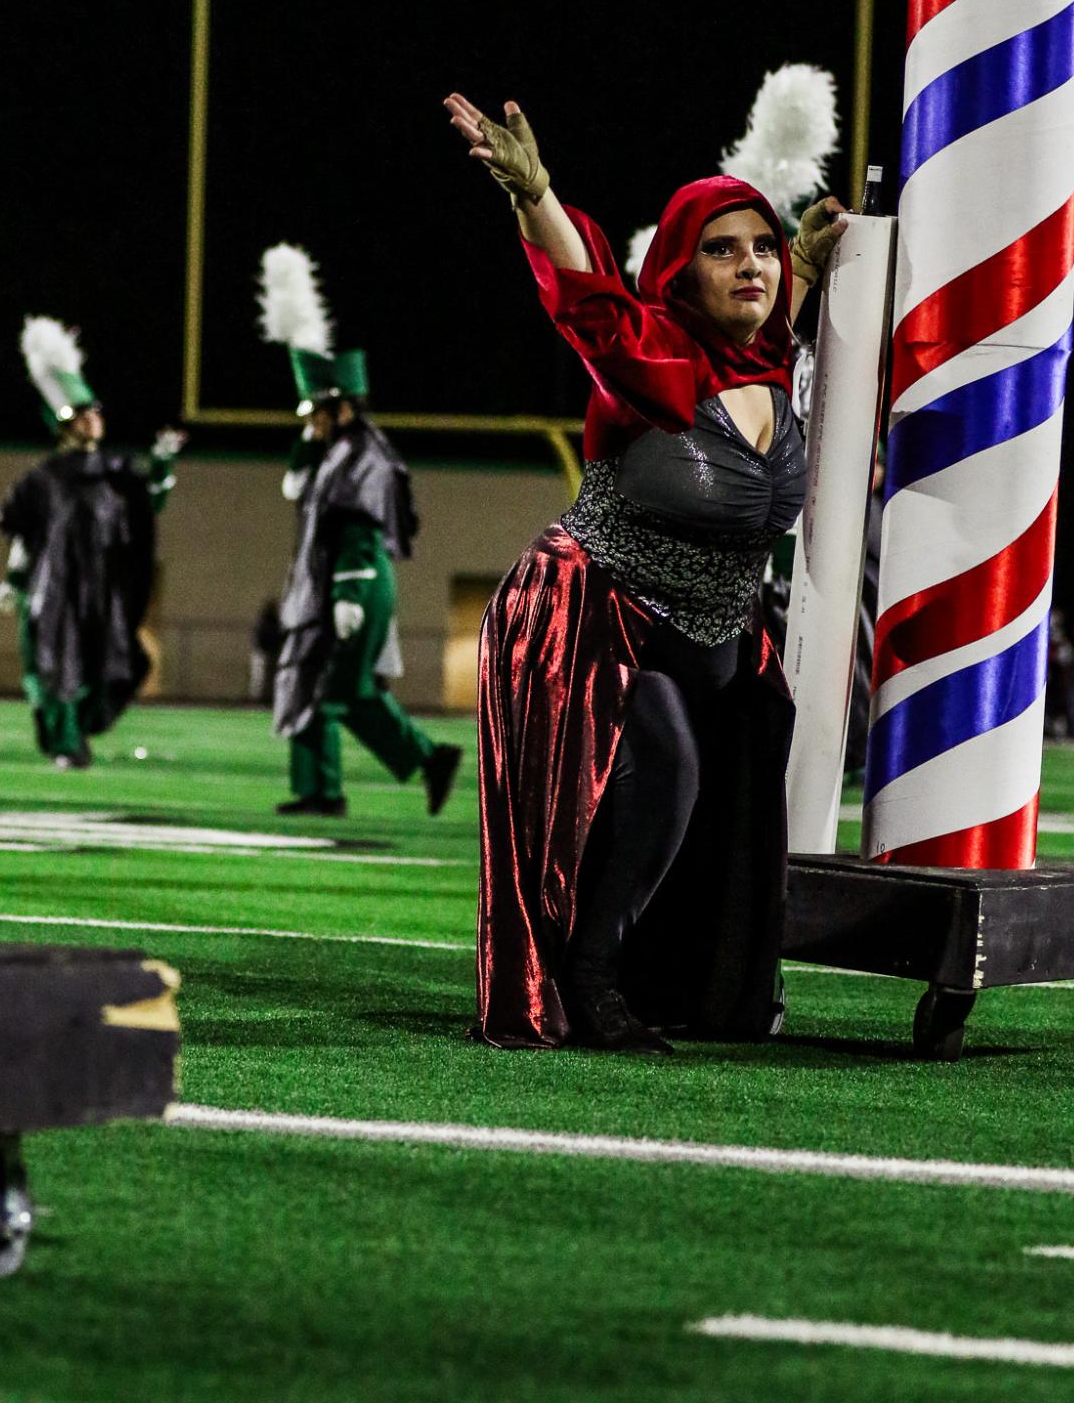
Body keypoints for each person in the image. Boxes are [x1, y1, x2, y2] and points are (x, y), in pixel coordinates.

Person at [445, 92, 845, 1052]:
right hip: (588, 620)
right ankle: (585, 980)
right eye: (721, 248)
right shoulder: (652, 356)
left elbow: (773, 310)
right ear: (678, 269)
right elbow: (590, 300)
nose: (749, 262)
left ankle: (675, 978)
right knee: (664, 760)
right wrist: (536, 195)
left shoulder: (770, 361)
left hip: (713, 639)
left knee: (729, 789)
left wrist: (804, 261)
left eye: (759, 245)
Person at [260, 246, 462, 819]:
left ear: (343, 407)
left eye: (316, 412)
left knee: (334, 693)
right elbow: (298, 489)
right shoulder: (335, 451)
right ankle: (334, 787)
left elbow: (357, 526)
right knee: (332, 691)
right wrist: (306, 443)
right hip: (336, 584)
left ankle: (356, 780)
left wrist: (347, 593)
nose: (309, 421)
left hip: (357, 580)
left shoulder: (362, 455)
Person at [0, 316, 184, 769]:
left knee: (110, 666)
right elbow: (24, 531)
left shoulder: (116, 473)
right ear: (64, 425)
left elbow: (147, 505)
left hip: (101, 589)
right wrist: (14, 579)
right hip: (55, 586)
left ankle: (75, 734)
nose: (92, 420)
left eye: (94, 411)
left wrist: (161, 465)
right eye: (82, 414)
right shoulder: (43, 478)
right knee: (57, 668)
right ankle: (67, 743)